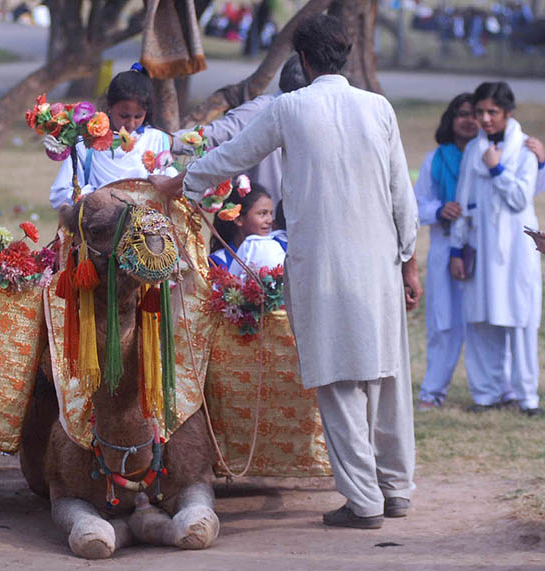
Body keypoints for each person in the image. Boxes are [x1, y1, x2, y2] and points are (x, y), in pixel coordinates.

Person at [152, 14, 420, 530]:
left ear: (302, 59)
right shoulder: (378, 107)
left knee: (338, 377)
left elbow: (231, 156)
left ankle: (365, 502)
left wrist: (177, 184)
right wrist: (408, 261)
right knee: (386, 374)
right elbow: (400, 195)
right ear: (344, 55)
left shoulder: (291, 107)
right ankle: (396, 489)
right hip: (381, 260)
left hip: (323, 264)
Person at [449, 82, 542, 416]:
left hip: (516, 247)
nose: (485, 119)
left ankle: (527, 395)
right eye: (480, 112)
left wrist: (497, 168)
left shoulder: (526, 148)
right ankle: (487, 392)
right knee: (481, 319)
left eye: (492, 112)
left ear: (508, 113)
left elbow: (520, 197)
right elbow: (463, 198)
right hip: (481, 246)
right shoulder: (475, 148)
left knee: (520, 319)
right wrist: (456, 249)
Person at [171, 53, 307, 214]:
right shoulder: (261, 110)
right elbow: (216, 135)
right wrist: (167, 141)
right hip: (261, 224)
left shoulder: (313, 117)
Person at [415, 94, 479, 410]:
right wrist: (440, 210)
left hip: (485, 248)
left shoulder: (493, 157)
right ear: (450, 119)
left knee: (489, 320)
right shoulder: (435, 160)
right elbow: (417, 205)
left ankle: (497, 391)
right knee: (443, 322)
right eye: (462, 114)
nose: (469, 120)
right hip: (444, 247)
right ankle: (433, 391)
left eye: (475, 114)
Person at [49, 64, 177, 209]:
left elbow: (173, 187)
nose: (130, 123)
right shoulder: (86, 142)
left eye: (138, 116)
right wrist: (95, 198)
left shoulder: (157, 140)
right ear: (110, 106)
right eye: (124, 116)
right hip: (96, 226)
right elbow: (60, 194)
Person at [208, 180, 285, 278]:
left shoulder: (279, 248)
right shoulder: (218, 262)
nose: (270, 220)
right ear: (238, 219)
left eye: (270, 213)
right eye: (262, 213)